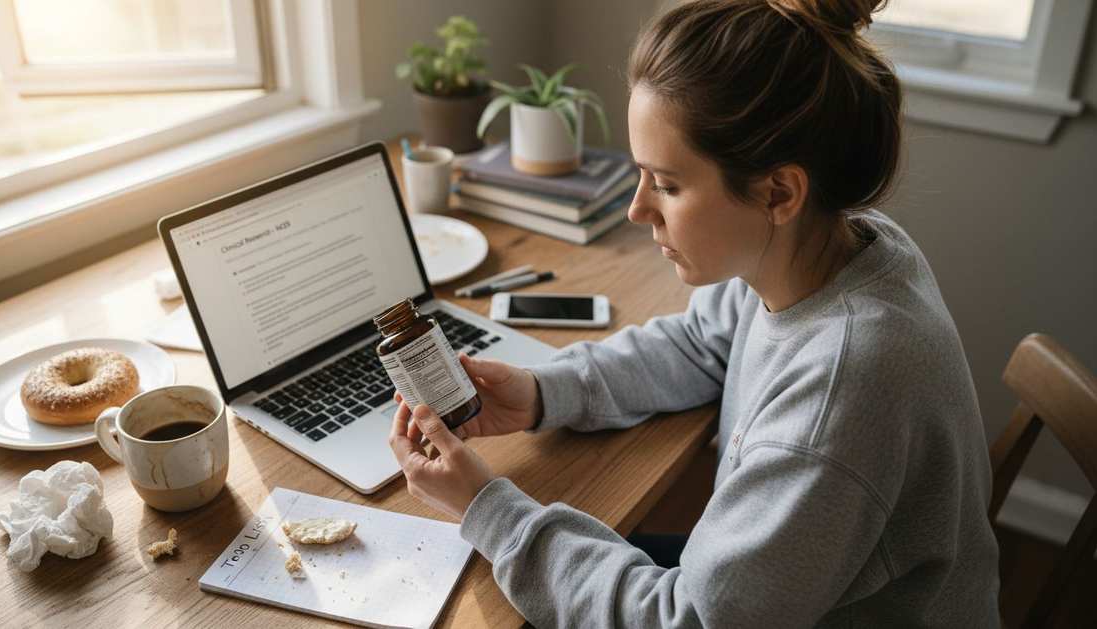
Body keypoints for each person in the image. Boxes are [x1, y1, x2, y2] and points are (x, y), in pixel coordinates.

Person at [387, 0, 1002, 626]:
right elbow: (699, 343)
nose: (637, 210)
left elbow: (689, 619)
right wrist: (545, 391)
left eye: (668, 184)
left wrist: (485, 507)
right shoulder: (830, 247)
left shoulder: (841, 389)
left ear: (779, 192)